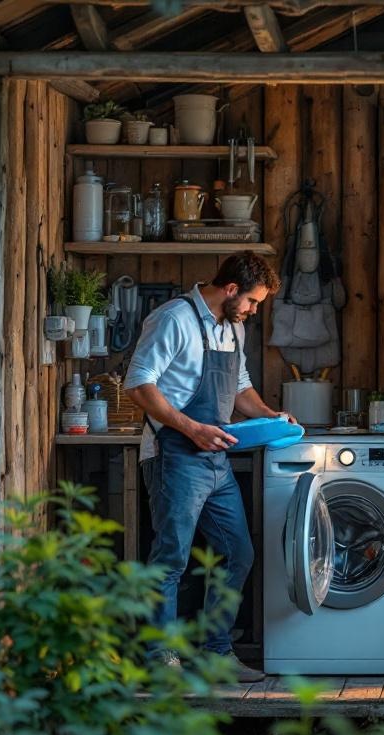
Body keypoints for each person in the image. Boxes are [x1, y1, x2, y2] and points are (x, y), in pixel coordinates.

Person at [125, 252, 291, 683]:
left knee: (238, 552)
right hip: (173, 454)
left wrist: (272, 417)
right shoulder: (173, 319)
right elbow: (139, 384)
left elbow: (239, 389)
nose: (255, 312)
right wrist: (191, 428)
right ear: (231, 289)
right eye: (253, 302)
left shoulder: (232, 327)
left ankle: (216, 655)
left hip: (215, 458)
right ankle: (161, 658)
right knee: (171, 558)